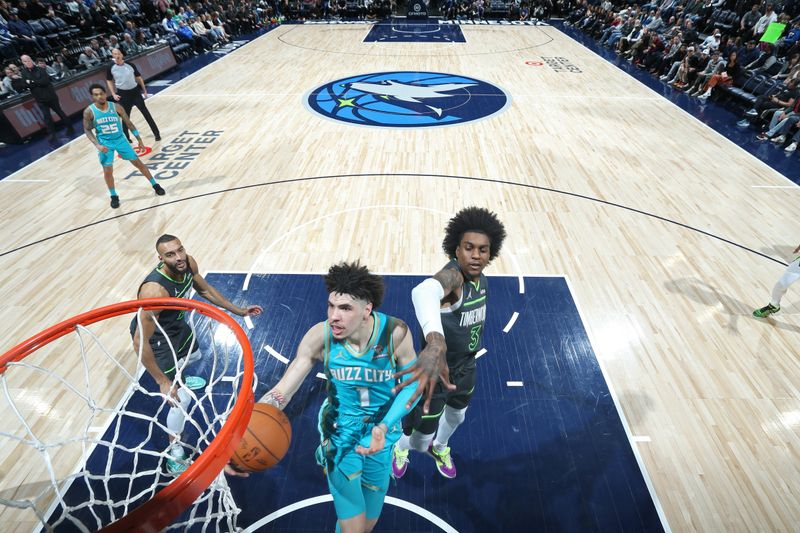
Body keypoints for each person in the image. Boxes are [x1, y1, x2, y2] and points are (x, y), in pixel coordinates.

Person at [231, 262, 419, 533]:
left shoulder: (395, 333)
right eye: (331, 306)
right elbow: (283, 391)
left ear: (367, 310)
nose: (334, 316)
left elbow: (412, 386)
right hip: (339, 435)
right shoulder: (321, 337)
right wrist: (240, 436)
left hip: (382, 436)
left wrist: (383, 426)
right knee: (355, 529)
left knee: (367, 524)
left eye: (345, 308)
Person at [131, 234, 262, 473]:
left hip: (178, 328)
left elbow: (206, 290)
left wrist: (239, 310)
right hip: (158, 340)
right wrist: (162, 381)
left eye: (180, 250)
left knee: (195, 357)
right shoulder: (154, 290)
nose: (179, 257)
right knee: (182, 401)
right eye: (171, 254)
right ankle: (176, 451)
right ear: (160, 259)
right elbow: (140, 340)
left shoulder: (188, 263)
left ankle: (180, 378)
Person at [392, 206, 506, 479]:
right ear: (456, 250)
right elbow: (424, 291)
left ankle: (441, 447)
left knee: (457, 417)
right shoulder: (454, 278)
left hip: (466, 365)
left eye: (483, 249)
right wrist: (435, 341)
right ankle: (400, 446)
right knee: (419, 442)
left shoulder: (482, 280)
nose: (476, 255)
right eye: (469, 248)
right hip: (437, 371)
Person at [83, 83, 164, 209]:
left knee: (139, 163)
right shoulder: (89, 111)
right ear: (92, 97)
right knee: (108, 171)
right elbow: (87, 130)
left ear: (105, 94)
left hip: (121, 140)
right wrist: (97, 145)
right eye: (96, 95)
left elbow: (129, 123)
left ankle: (155, 185)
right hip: (105, 144)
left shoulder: (116, 107)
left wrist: (139, 139)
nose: (99, 96)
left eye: (101, 93)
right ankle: (114, 196)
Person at [11, 55, 74, 140]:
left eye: (28, 60)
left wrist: (31, 82)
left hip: (50, 96)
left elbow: (44, 82)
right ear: (22, 63)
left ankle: (70, 127)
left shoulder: (40, 69)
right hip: (40, 99)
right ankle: (52, 134)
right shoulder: (24, 72)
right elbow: (24, 84)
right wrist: (33, 82)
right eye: (25, 61)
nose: (27, 62)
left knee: (59, 112)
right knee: (46, 117)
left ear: (31, 60)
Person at [106, 48, 161, 142]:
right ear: (113, 56)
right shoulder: (110, 67)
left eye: (118, 53)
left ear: (122, 54)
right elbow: (109, 80)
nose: (117, 56)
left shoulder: (130, 65)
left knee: (146, 113)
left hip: (135, 92)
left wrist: (144, 90)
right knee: (125, 117)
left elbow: (139, 78)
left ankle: (157, 134)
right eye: (114, 54)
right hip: (123, 95)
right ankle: (127, 138)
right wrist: (113, 94)